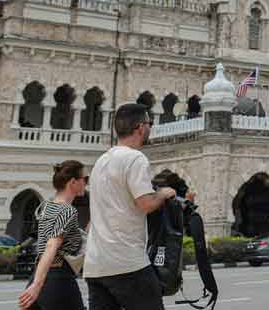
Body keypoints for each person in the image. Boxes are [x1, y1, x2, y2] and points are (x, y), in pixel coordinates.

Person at [84, 103, 177, 310]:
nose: (150, 128)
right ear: (141, 127)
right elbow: (145, 203)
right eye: (150, 123)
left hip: (96, 265)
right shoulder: (135, 158)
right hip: (127, 263)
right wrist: (163, 193)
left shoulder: (101, 161)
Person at [18, 161, 88, 310]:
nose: (86, 183)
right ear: (73, 182)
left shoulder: (47, 206)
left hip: (40, 277)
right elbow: (51, 246)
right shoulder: (67, 211)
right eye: (85, 179)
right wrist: (37, 286)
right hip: (59, 281)